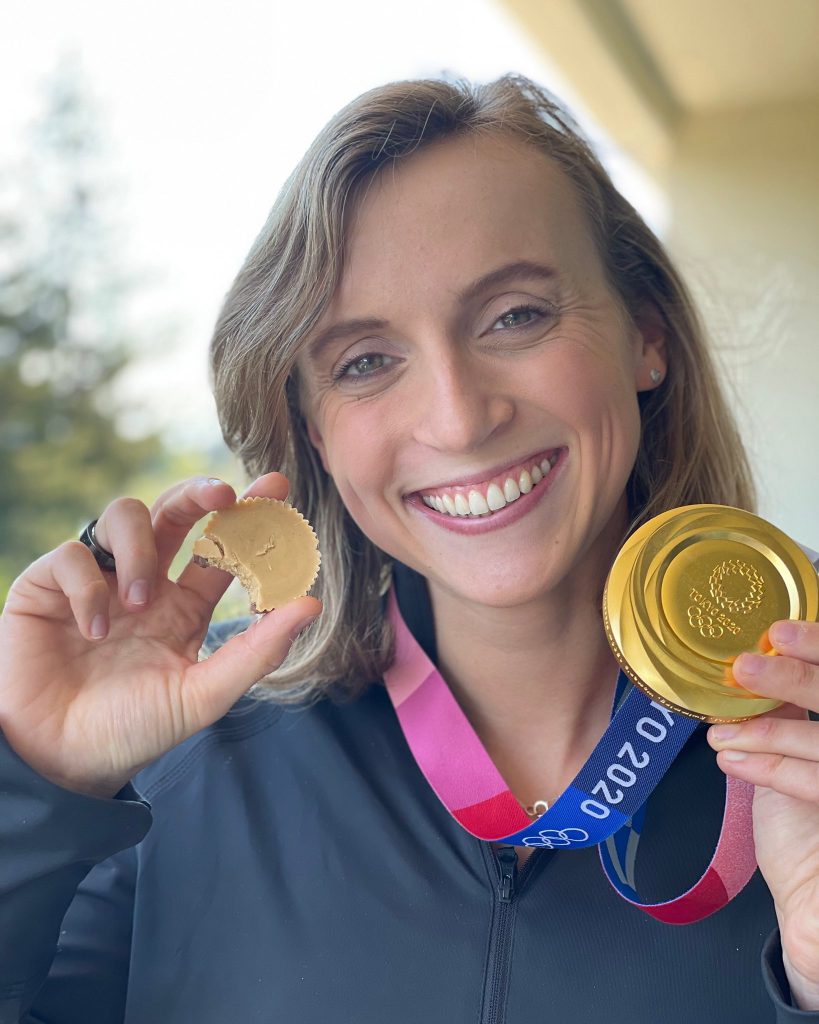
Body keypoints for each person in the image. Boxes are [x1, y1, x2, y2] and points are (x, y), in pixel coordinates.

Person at [1, 72, 818, 1024]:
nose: (460, 417)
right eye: (365, 361)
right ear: (313, 432)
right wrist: (32, 788)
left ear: (645, 336)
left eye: (515, 315)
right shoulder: (176, 760)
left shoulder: (799, 742)